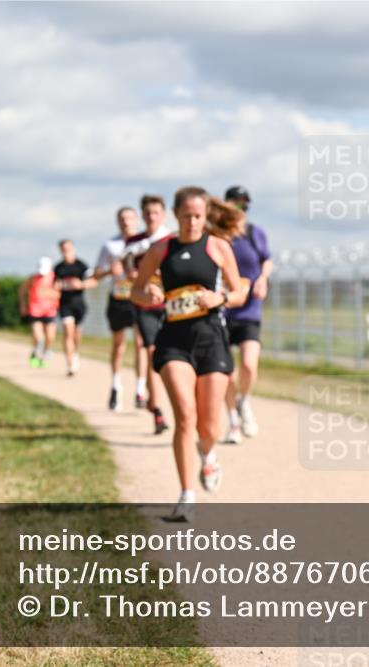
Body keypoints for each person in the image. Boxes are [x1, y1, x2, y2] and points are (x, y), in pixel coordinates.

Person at [131, 186, 247, 522]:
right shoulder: (160, 249)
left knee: (208, 426)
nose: (193, 222)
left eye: (199, 216)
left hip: (211, 337)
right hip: (174, 340)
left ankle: (207, 454)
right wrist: (149, 292)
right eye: (187, 216)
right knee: (185, 415)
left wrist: (220, 298)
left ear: (206, 215)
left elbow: (240, 292)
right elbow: (136, 291)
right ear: (176, 215)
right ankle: (186, 494)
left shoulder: (217, 246)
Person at [221, 186, 272, 442]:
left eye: (244, 205)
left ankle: (244, 401)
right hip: (223, 309)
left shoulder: (255, 234)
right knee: (226, 370)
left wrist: (263, 278)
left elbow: (267, 260)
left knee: (249, 364)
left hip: (250, 309)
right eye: (235, 204)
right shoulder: (220, 236)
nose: (239, 209)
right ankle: (232, 421)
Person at [122, 194, 173, 433]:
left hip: (172, 307)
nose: (152, 217)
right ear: (142, 215)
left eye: (156, 213)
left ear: (163, 215)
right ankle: (158, 412)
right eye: (148, 213)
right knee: (153, 353)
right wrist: (137, 277)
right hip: (145, 307)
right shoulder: (134, 241)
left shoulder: (172, 240)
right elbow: (128, 268)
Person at [94, 206, 147, 410]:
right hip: (118, 298)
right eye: (122, 219)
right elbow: (96, 274)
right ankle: (116, 386)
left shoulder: (144, 243)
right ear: (117, 221)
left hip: (139, 297)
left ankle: (140, 389)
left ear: (136, 220)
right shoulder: (110, 245)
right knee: (119, 345)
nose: (126, 222)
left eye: (130, 218)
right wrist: (109, 271)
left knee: (141, 343)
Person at [55, 239, 97, 377]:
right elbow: (53, 285)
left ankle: (75, 352)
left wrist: (81, 285)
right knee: (68, 332)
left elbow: (93, 282)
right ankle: (70, 363)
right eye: (63, 248)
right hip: (64, 304)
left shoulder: (81, 266)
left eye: (68, 248)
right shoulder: (58, 268)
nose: (66, 251)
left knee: (76, 334)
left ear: (73, 248)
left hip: (79, 304)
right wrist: (57, 287)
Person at [18, 257, 60, 368]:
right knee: (39, 337)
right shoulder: (33, 278)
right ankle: (35, 354)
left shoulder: (55, 278)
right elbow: (22, 290)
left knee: (50, 337)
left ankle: (43, 355)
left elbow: (60, 293)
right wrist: (22, 305)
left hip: (50, 311)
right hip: (35, 311)